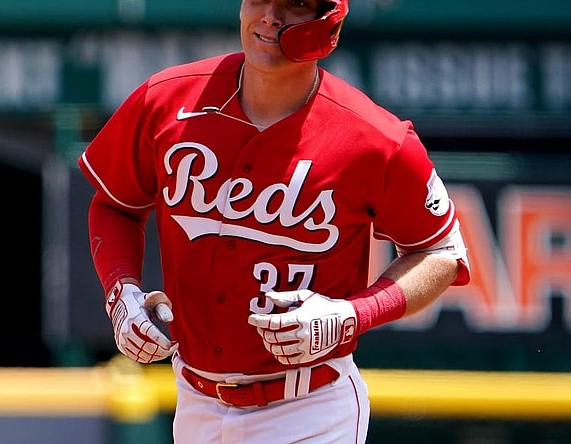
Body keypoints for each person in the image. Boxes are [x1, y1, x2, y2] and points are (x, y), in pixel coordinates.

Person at [79, 0, 470, 442]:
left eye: (295, 5)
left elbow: (441, 253)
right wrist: (121, 290)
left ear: (329, 26)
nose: (269, 15)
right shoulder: (167, 99)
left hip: (310, 409)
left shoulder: (376, 139)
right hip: (195, 403)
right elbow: (114, 203)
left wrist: (351, 314)